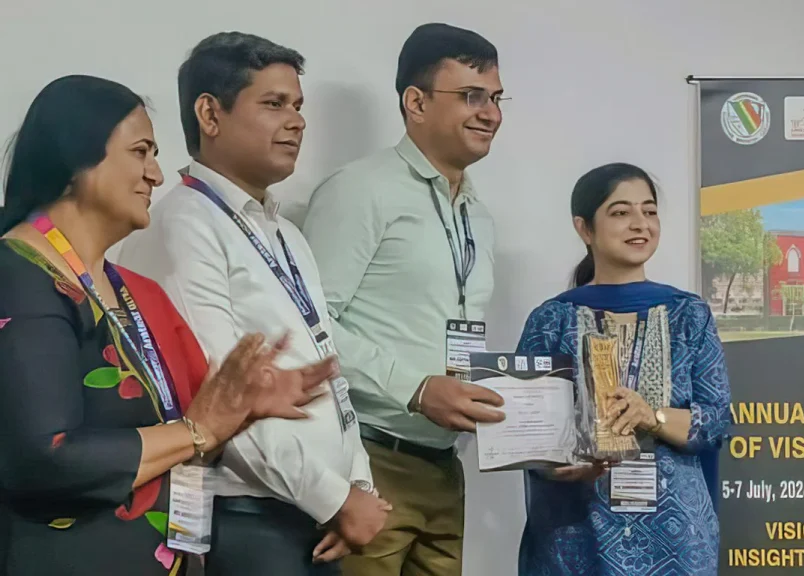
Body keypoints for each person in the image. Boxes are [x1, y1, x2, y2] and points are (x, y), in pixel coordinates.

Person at [0, 74, 338, 576]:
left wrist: (240, 407)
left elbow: (187, 424)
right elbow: (46, 457)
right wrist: (197, 430)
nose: (156, 174)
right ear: (76, 161)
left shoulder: (133, 289)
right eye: (140, 152)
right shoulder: (22, 276)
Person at [117, 32, 388, 575]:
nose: (297, 121)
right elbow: (224, 393)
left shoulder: (286, 233)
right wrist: (333, 499)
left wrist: (355, 483)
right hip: (243, 516)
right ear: (210, 115)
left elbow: (327, 372)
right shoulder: (183, 225)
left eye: (298, 106)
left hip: (313, 517)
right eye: (273, 104)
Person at [301, 22, 507, 576]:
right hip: (370, 463)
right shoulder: (360, 190)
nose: (490, 113)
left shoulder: (478, 217)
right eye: (470, 96)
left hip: (445, 464)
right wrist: (413, 388)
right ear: (415, 102)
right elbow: (309, 327)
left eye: (495, 98)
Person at [515, 163, 731, 575]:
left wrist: (653, 416)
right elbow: (526, 434)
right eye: (620, 212)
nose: (640, 224)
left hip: (676, 540)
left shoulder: (689, 315)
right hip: (576, 537)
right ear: (585, 228)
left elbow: (717, 420)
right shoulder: (552, 320)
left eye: (649, 211)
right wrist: (554, 466)